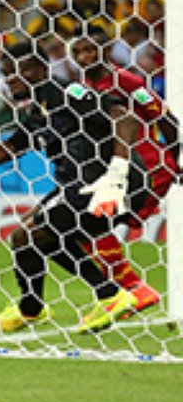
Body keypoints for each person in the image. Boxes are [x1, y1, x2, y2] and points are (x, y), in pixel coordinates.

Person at [0, 44, 147, 334]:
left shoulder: (66, 92)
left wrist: (117, 173)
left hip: (109, 183)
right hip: (81, 185)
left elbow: (123, 115)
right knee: (27, 238)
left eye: (20, 72)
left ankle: (110, 296)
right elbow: (11, 148)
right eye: (7, 74)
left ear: (42, 69)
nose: (12, 80)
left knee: (33, 234)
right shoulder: (40, 109)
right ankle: (33, 308)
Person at [71, 27, 178, 316]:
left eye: (89, 50)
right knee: (82, 226)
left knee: (88, 223)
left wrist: (176, 160)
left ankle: (132, 291)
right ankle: (129, 293)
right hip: (119, 169)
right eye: (77, 51)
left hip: (149, 167)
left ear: (106, 51)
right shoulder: (83, 86)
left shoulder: (127, 82)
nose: (82, 57)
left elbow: (166, 119)